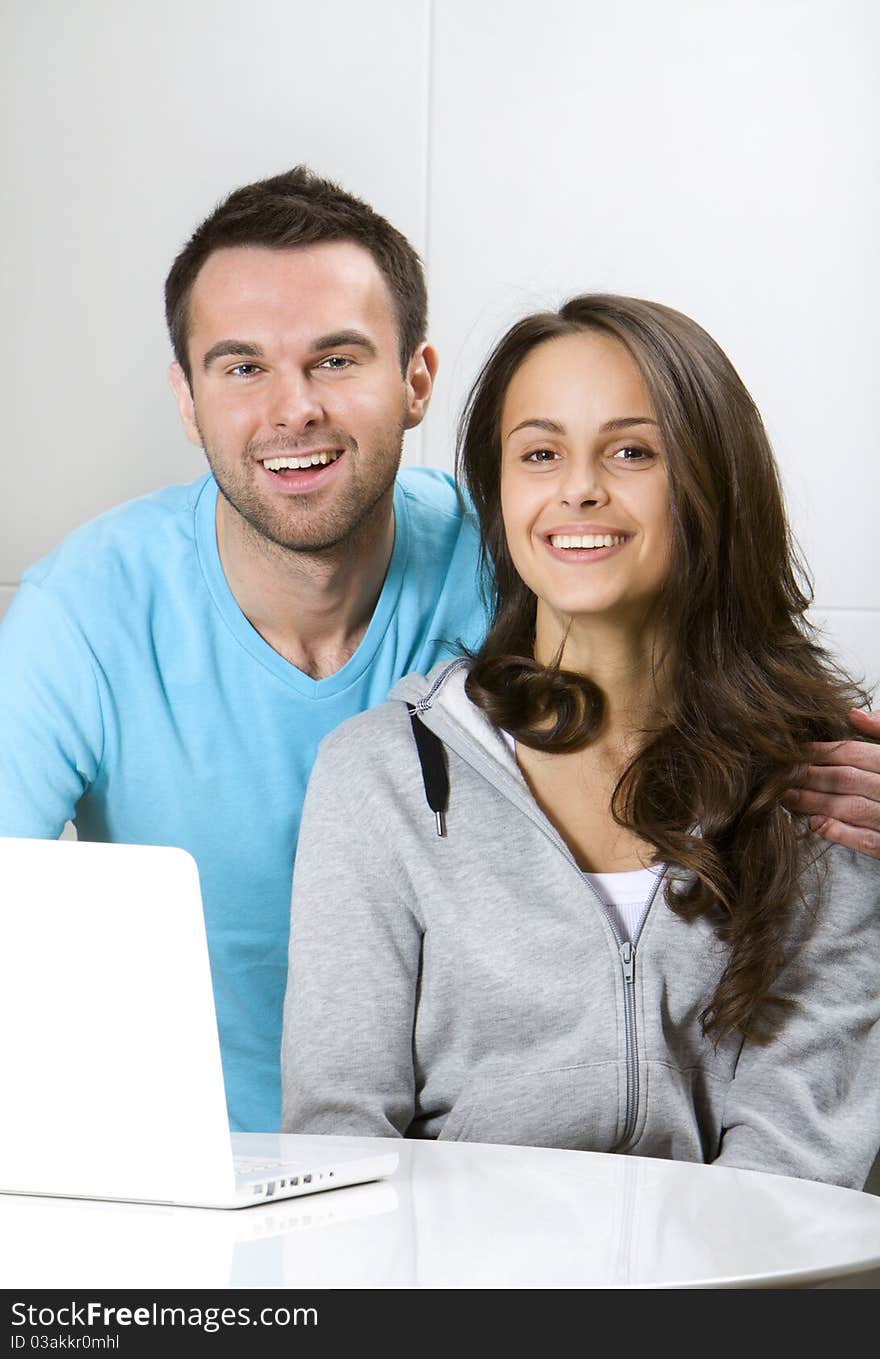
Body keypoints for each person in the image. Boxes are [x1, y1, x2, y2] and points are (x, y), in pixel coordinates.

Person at [0, 168, 878, 1133]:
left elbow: (711, 637)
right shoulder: (76, 618)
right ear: (187, 395)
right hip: (197, 1160)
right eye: (243, 365)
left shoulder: (528, 553)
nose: (293, 409)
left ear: (417, 380)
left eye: (337, 358)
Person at [281, 294, 880, 1187]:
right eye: (540, 453)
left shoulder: (825, 779)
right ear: (500, 492)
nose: (580, 488)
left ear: (713, 483)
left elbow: (799, 1160)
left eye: (632, 451)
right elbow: (340, 1142)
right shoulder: (383, 774)